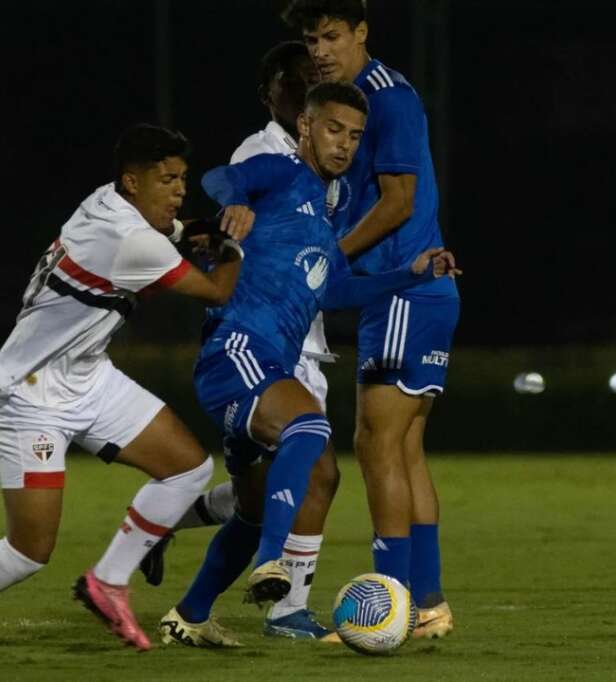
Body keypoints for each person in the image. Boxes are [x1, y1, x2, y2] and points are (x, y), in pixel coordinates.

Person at [0, 124, 250, 662]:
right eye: (167, 179)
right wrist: (234, 246)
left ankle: (110, 578)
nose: (179, 189)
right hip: (29, 393)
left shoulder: (105, 203)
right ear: (132, 182)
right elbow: (217, 289)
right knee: (29, 551)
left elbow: (173, 230)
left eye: (183, 178)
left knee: (188, 469)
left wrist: (194, 228)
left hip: (87, 376)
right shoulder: (133, 241)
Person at [158, 81, 459, 648]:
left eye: (354, 136)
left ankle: (190, 614)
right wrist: (238, 200)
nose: (344, 145)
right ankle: (273, 565)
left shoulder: (325, 221)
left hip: (264, 365)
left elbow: (337, 290)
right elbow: (221, 178)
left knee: (250, 510)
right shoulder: (278, 170)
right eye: (332, 129)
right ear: (304, 127)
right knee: (311, 427)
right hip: (239, 350)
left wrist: (414, 274)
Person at [139, 41, 344, 641]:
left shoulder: (323, 173)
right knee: (318, 464)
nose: (305, 89)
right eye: (294, 83)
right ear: (273, 97)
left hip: (295, 337)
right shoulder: (267, 152)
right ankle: (284, 605)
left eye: (313, 79)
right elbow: (228, 185)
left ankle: (188, 600)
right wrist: (234, 207)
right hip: (256, 340)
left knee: (259, 501)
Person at [282, 0, 461, 639]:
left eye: (332, 35)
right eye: (312, 40)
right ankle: (427, 604)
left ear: (361, 33)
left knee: (375, 444)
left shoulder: (390, 98)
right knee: (404, 449)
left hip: (407, 292)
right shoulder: (353, 101)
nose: (321, 49)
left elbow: (399, 201)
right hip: (410, 292)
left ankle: (392, 605)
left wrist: (329, 257)